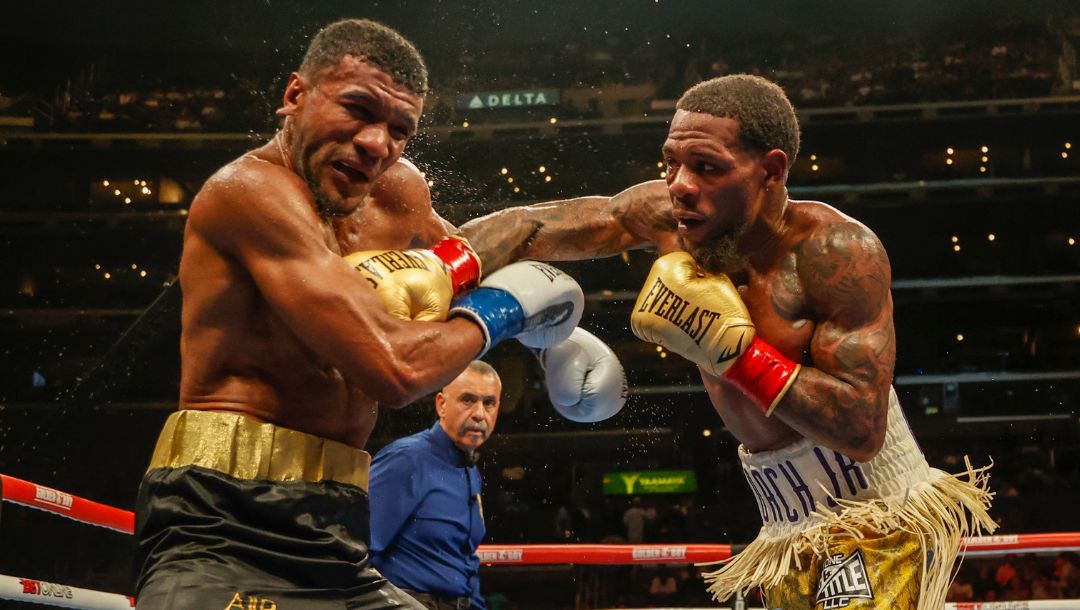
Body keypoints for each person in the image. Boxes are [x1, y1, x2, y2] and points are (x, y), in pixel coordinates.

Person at [458, 74, 996, 610]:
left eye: (707, 167)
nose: (680, 185)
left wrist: (737, 354)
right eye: (671, 162)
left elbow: (861, 429)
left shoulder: (833, 252)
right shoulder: (675, 217)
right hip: (786, 522)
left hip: (875, 511)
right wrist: (439, 266)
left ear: (772, 170)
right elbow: (532, 225)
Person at [133, 19, 589, 610]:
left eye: (400, 129)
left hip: (338, 533)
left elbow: (512, 251)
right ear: (295, 96)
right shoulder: (247, 192)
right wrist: (507, 310)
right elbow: (394, 370)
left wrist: (558, 338)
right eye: (357, 109)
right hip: (222, 524)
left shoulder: (395, 197)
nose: (378, 143)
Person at [368, 360, 503, 610]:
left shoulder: (469, 470)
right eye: (467, 400)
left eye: (489, 403)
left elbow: (464, 561)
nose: (479, 413)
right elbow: (360, 549)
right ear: (441, 404)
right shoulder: (406, 459)